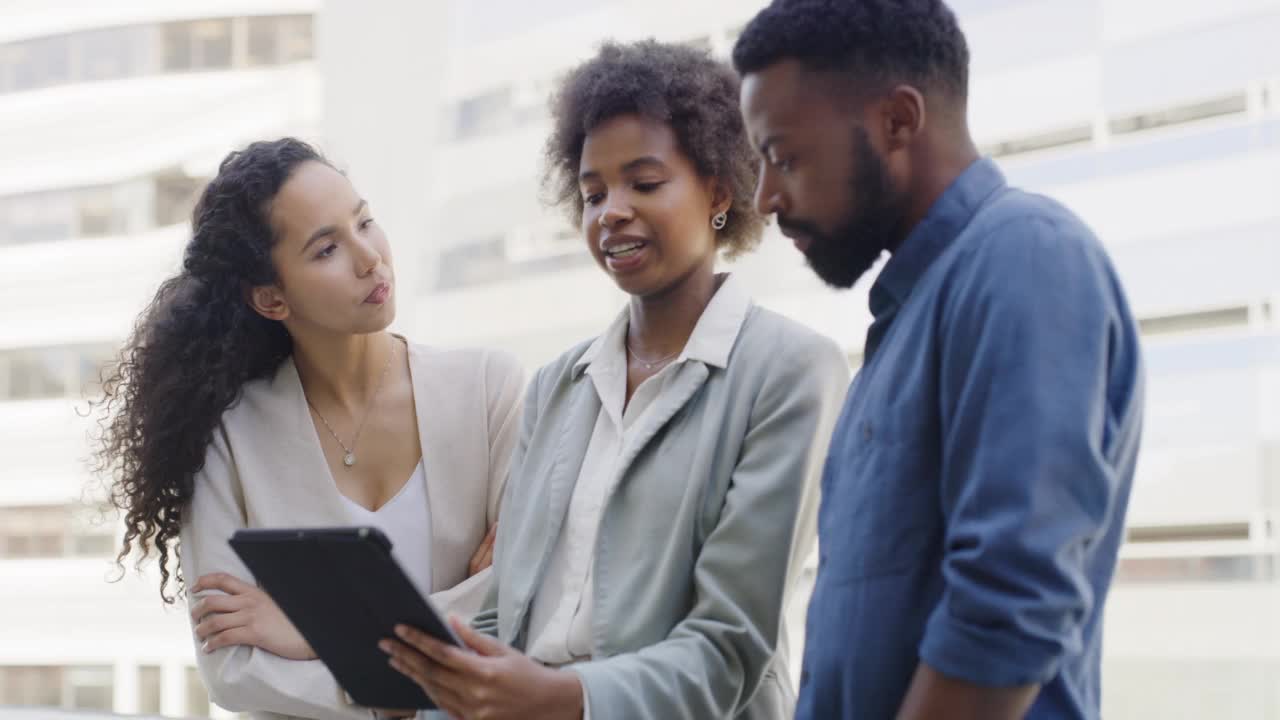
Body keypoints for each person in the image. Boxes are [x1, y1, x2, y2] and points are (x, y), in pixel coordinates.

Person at [378, 40, 850, 720]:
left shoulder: (791, 369)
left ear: (719, 190)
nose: (610, 212)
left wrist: (563, 699)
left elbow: (729, 648)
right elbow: (503, 617)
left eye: (645, 183)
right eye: (593, 192)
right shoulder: (556, 385)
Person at [731, 2, 1146, 719]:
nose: (766, 198)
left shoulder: (1024, 257)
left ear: (898, 120)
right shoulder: (905, 325)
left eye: (784, 157)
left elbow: (1009, 603)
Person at [94, 138, 524, 720]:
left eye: (365, 221)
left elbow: (521, 603)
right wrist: (404, 684)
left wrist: (312, 628)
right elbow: (234, 669)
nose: (369, 257)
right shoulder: (228, 436)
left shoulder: (488, 390)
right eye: (326, 249)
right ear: (271, 298)